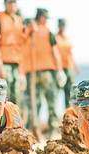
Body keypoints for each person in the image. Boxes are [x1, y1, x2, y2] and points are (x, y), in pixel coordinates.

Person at [22, 8, 64, 136]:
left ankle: (42, 129)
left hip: (38, 72)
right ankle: (43, 130)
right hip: (39, 72)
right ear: (41, 18)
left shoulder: (30, 32)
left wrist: (59, 69)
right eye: (45, 18)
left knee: (41, 103)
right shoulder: (38, 32)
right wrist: (59, 70)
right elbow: (55, 52)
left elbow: (22, 53)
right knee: (43, 102)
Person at [0, 0, 24, 105]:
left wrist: (22, 71)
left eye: (14, 2)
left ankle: (13, 121)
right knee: (2, 96)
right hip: (3, 63)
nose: (12, 5)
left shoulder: (19, 20)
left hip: (16, 63)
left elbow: (21, 45)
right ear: (5, 4)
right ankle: (0, 121)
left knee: (16, 97)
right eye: (9, 2)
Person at [56, 18, 77, 108]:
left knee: (70, 92)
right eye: (61, 25)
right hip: (60, 69)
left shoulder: (67, 38)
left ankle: (68, 111)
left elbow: (70, 53)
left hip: (69, 67)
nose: (62, 27)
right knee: (56, 92)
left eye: (64, 25)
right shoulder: (55, 38)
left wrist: (75, 66)